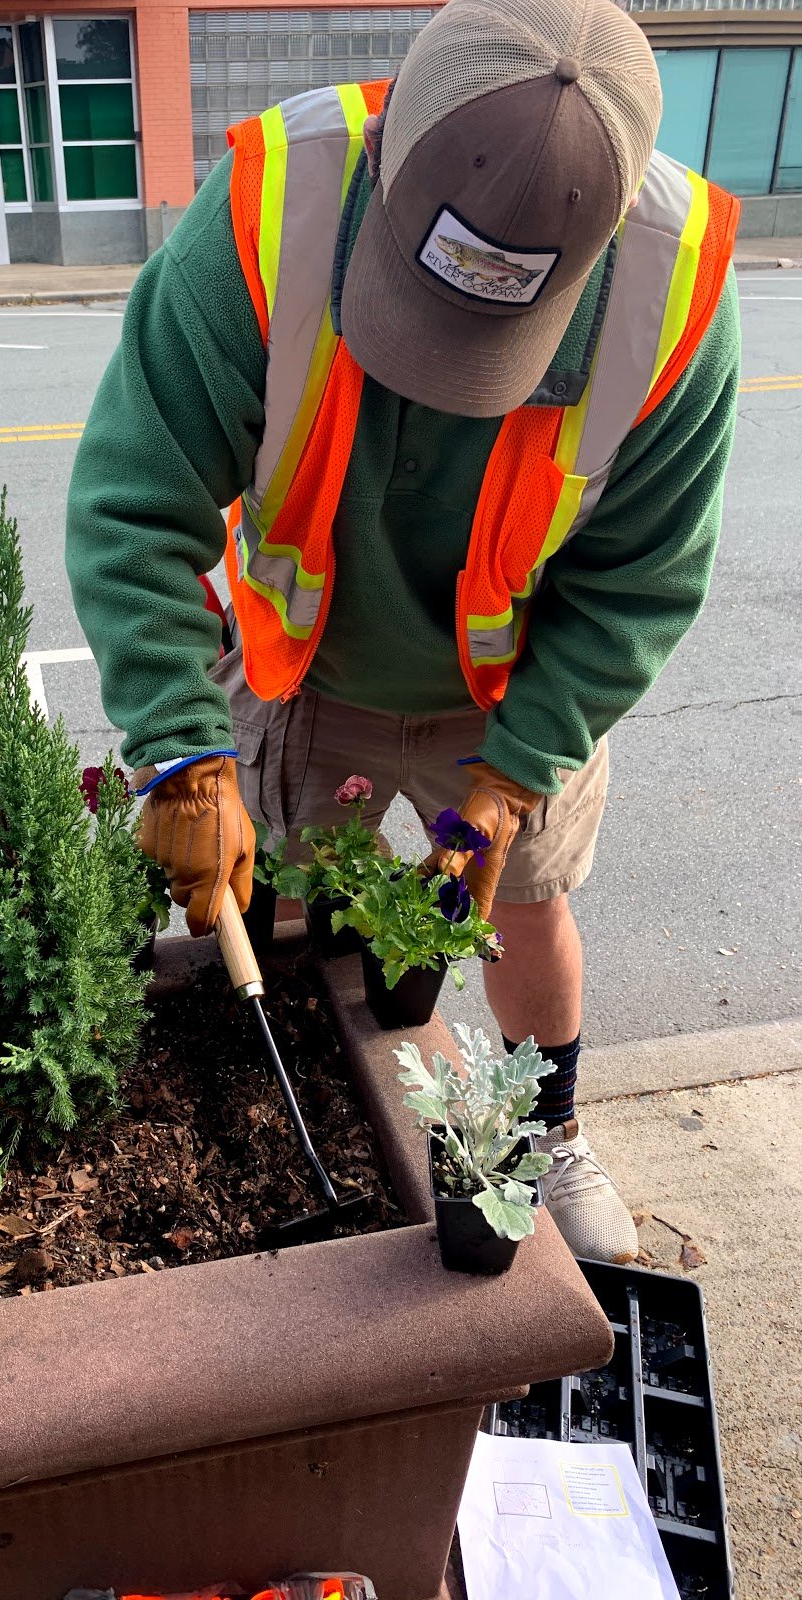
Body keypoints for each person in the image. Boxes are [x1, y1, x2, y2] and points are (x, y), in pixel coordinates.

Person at [66, 0, 740, 1264]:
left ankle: (548, 1128)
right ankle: (274, 1121)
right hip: (307, 669)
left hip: (517, 692)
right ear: (391, 161)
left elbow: (636, 585)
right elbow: (133, 497)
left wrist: (506, 787)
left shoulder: (673, 300)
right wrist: (176, 747)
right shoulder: (269, 213)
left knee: (526, 909)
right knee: (268, 909)